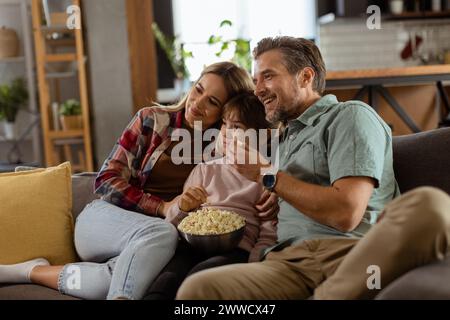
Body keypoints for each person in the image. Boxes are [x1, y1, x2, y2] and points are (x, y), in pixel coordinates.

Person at [176, 37, 450, 300]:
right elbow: (283, 194)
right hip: (286, 264)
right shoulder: (283, 142)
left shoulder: (350, 115)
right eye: (256, 79)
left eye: (269, 76)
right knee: (198, 289)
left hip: (351, 255)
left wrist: (267, 175)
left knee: (432, 205)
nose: (257, 89)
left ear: (305, 77)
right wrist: (276, 191)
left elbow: (346, 213)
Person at [0, 62, 278, 300]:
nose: (198, 103)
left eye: (213, 102)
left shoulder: (223, 144)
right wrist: (163, 207)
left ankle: (31, 270)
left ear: (226, 110)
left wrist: (271, 182)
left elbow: (267, 142)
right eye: (199, 89)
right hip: (106, 220)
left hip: (156, 239)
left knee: (117, 277)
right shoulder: (152, 120)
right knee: (162, 233)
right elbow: (106, 180)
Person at [144, 91, 277, 300]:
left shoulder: (265, 179)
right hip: (192, 245)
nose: (225, 132)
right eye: (224, 124)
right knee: (164, 282)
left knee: (199, 279)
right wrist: (183, 207)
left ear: (263, 136)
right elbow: (174, 222)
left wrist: (254, 267)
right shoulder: (205, 170)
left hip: (236, 250)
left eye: (237, 128)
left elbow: (268, 233)